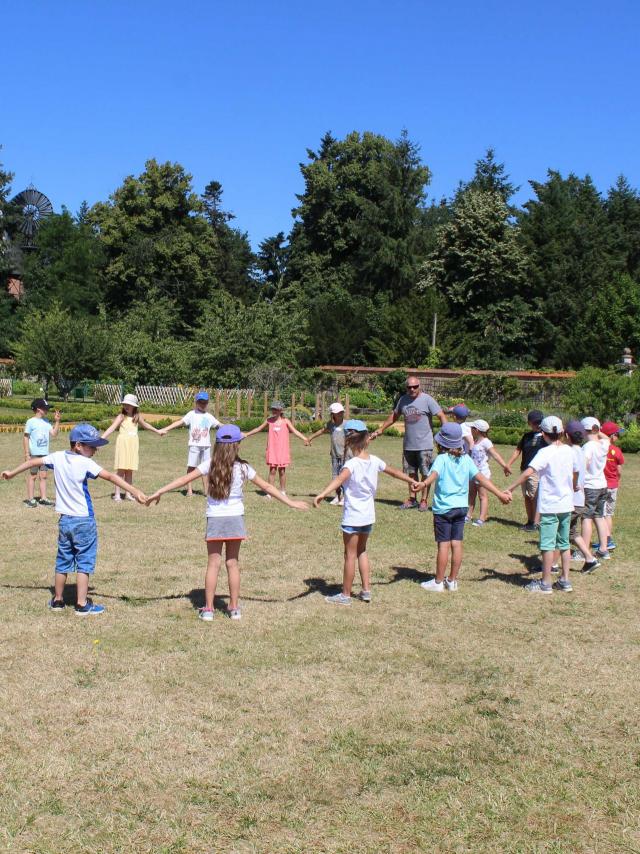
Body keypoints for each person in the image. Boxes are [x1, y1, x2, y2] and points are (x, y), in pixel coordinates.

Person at [145, 424, 309, 621]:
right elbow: (266, 485)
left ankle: (208, 609)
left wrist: (159, 491)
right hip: (235, 519)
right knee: (233, 563)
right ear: (236, 445)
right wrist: (290, 502)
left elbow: (183, 479)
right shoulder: (243, 467)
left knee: (213, 564)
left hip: (215, 519)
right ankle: (234, 608)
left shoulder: (209, 464)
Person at [2, 423, 146, 615]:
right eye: (92, 446)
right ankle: (81, 604)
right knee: (84, 562)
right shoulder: (86, 463)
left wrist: (12, 473)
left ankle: (58, 600)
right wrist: (134, 491)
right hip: (84, 521)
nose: (95, 450)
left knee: (63, 561)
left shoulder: (57, 457)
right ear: (78, 445)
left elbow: (33, 462)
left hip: (65, 521)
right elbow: (111, 477)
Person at [313, 420, 421, 605]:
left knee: (349, 555)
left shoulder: (352, 465)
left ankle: (345, 595)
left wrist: (322, 494)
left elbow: (339, 480)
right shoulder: (375, 461)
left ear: (348, 441)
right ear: (366, 439)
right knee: (362, 551)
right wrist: (411, 481)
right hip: (368, 516)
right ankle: (366, 590)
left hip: (353, 516)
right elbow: (394, 472)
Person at [412, 423, 511, 593]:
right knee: (457, 544)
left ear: (441, 443)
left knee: (443, 545)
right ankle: (452, 581)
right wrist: (500, 494)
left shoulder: (441, 459)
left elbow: (432, 476)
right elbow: (481, 478)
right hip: (461, 509)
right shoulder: (467, 460)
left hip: (444, 509)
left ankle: (438, 582)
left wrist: (423, 484)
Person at [505, 416, 579, 594]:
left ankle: (545, 583)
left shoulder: (544, 453)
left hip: (550, 506)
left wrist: (510, 488)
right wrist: (574, 486)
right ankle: (564, 580)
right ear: (561, 433)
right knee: (564, 543)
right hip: (566, 505)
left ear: (544, 434)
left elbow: (528, 472)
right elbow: (576, 472)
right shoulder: (570, 451)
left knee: (547, 545)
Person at [370, 376, 447, 511]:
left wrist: (445, 433)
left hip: (425, 444)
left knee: (425, 473)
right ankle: (412, 499)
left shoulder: (427, 399)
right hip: (409, 445)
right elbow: (394, 416)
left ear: (419, 386)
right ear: (406, 388)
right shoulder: (403, 400)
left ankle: (423, 500)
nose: (412, 389)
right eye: (409, 387)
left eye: (415, 386)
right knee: (410, 473)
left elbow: (441, 415)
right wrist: (381, 429)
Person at [101, 394, 164, 501]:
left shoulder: (137, 417)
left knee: (129, 471)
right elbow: (112, 428)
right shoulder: (121, 417)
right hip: (123, 444)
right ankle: (117, 494)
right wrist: (101, 439)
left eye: (129, 404)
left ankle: (128, 494)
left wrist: (158, 431)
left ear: (134, 406)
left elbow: (146, 425)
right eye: (125, 404)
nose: (126, 406)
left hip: (133, 445)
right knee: (121, 470)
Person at [159, 390, 222, 497]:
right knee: (191, 467)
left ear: (207, 403)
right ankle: (189, 490)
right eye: (200, 402)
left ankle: (206, 491)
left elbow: (219, 425)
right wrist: (166, 428)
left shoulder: (209, 416)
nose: (202, 404)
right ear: (196, 402)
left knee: (206, 469)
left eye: (204, 402)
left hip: (206, 446)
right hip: (194, 445)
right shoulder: (191, 414)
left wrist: (233, 430)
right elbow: (180, 422)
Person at [242, 401, 309, 496]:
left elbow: (295, 431)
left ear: (281, 410)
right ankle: (270, 492)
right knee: (272, 470)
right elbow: (258, 429)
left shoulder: (286, 421)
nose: (274, 411)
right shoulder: (269, 421)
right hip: (272, 450)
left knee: (282, 471)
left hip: (282, 450)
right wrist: (246, 434)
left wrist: (305, 438)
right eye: (273, 409)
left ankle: (282, 491)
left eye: (276, 409)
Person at [564, 420, 601, 574]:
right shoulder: (582, 450)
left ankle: (551, 566)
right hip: (580, 500)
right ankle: (590, 559)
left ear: (566, 435)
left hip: (569, 500)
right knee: (571, 533)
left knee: (558, 533)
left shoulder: (568, 452)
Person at [505, 410, 545, 532]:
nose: (538, 424)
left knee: (534, 497)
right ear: (529, 423)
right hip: (525, 470)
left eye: (540, 422)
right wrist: (508, 464)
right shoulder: (526, 436)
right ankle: (530, 521)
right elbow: (518, 450)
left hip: (536, 471)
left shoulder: (545, 437)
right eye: (535, 422)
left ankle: (537, 523)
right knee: (527, 496)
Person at [467, 419, 511, 527]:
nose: (470, 430)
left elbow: (495, 455)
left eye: (472, 428)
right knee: (471, 494)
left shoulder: (486, 442)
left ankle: (482, 518)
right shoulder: (475, 440)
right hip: (473, 473)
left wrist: (504, 466)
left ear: (476, 430)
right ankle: (468, 515)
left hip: (483, 474)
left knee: (482, 496)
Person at [580, 417, 611, 562]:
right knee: (599, 516)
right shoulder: (604, 443)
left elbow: (584, 466)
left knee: (586, 518)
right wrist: (598, 430)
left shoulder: (588, 446)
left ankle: (583, 550)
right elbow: (605, 437)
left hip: (590, 486)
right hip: (602, 484)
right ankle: (604, 549)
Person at [22, 398, 61, 507]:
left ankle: (43, 498)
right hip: (34, 454)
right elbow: (25, 438)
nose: (47, 410)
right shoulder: (30, 422)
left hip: (45, 454)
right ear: (39, 409)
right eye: (46, 408)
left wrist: (57, 421)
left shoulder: (46, 422)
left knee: (43, 476)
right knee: (33, 476)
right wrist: (27, 454)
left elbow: (54, 433)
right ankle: (31, 499)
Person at [308, 402, 349, 505]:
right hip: (334, 456)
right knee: (335, 477)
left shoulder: (347, 424)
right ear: (332, 414)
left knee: (343, 477)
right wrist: (310, 438)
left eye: (341, 412)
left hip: (346, 456)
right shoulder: (331, 425)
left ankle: (345, 497)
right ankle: (338, 496)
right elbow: (322, 431)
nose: (340, 414)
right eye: (337, 413)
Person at [599, 421, 625, 552]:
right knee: (608, 514)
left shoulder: (598, 448)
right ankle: (608, 540)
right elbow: (619, 471)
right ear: (612, 436)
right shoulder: (617, 451)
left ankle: (606, 540)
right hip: (613, 486)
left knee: (601, 515)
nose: (618, 437)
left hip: (601, 486)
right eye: (617, 435)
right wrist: (616, 480)